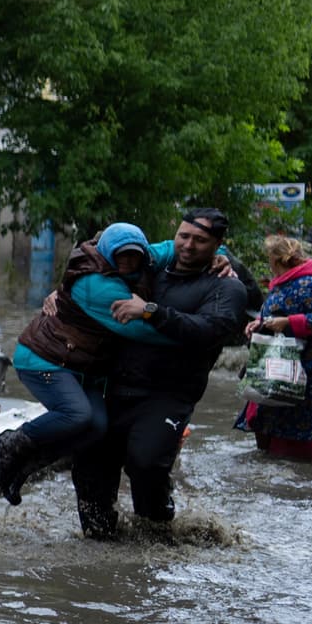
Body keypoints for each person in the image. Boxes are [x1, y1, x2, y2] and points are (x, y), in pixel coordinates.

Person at [71, 208, 252, 539]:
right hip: (115, 385)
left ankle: (157, 534)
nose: (188, 245)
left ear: (218, 245)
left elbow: (210, 330)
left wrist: (151, 311)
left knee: (146, 463)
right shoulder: (150, 269)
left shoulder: (226, 288)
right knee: (89, 461)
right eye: (183, 236)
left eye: (200, 240)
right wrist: (61, 292)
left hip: (168, 394)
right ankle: (97, 538)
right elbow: (92, 262)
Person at [0, 223, 172, 505]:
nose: (128, 262)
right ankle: (2, 447)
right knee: (77, 414)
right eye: (122, 256)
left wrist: (220, 254)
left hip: (83, 366)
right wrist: (191, 332)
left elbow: (173, 247)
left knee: (96, 427)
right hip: (44, 358)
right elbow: (142, 331)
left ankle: (23, 468)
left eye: (134, 256)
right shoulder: (96, 285)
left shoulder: (145, 257)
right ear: (107, 253)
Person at [235, 234, 312, 462]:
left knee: (299, 434)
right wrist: (259, 324)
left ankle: (298, 480)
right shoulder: (283, 283)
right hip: (276, 366)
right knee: (269, 421)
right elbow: (274, 314)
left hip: (307, 369)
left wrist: (288, 323)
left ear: (277, 260)